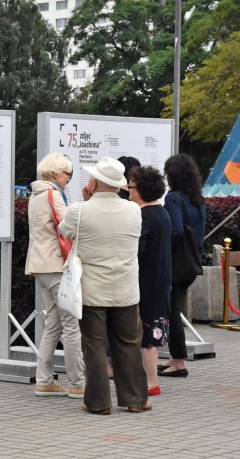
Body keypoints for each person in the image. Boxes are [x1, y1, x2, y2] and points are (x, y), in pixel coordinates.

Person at [59, 156, 148, 414]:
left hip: (91, 289)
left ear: (95, 182)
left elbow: (64, 232)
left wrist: (86, 202)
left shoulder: (79, 210)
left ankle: (98, 403)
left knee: (94, 345)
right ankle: (135, 400)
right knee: (129, 342)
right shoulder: (133, 210)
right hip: (126, 288)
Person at [26, 153, 85, 400]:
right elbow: (70, 224)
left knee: (53, 323)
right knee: (71, 325)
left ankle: (44, 381)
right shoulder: (52, 194)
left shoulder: (36, 194)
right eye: (66, 174)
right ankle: (77, 383)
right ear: (54, 173)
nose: (68, 179)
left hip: (40, 264)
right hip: (56, 265)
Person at [160, 153, 206, 378]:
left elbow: (176, 230)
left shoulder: (173, 198)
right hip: (191, 262)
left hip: (176, 263)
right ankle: (173, 358)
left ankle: (178, 361)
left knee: (171, 311)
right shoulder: (197, 199)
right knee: (174, 308)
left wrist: (161, 248)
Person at [128, 165, 171, 395]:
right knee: (153, 330)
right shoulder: (162, 213)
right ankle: (151, 381)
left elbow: (137, 250)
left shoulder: (144, 216)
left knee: (147, 334)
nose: (128, 190)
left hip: (146, 281)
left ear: (141, 189)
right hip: (161, 279)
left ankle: (151, 383)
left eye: (131, 186)